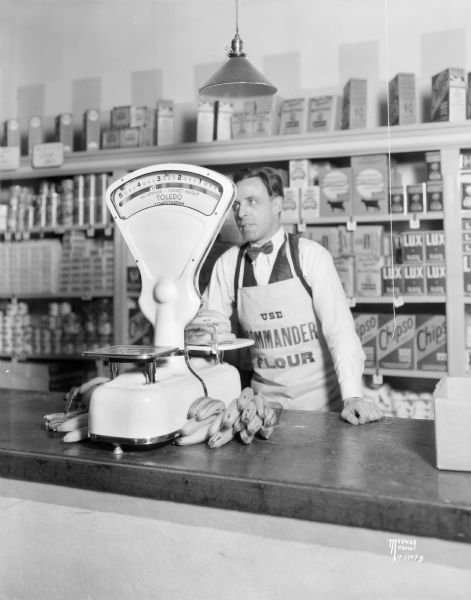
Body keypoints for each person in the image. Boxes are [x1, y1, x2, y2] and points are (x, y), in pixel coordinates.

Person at [202, 166, 383, 425]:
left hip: (323, 409)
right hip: (262, 410)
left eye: (253, 202)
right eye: (236, 205)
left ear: (277, 205)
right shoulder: (228, 264)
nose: (241, 213)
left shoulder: (310, 256)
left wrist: (352, 396)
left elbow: (340, 329)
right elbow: (210, 330)